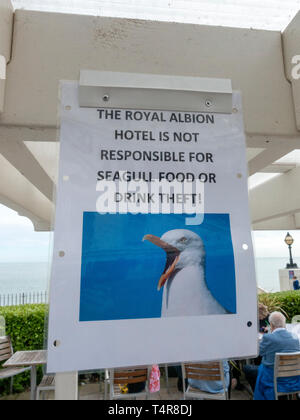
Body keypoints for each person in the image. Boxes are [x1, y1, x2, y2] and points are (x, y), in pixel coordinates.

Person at [244, 311, 300, 400]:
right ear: (284, 323)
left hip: (274, 380)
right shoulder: (295, 337)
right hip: (293, 380)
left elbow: (259, 353)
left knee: (247, 368)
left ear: (271, 325)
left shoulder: (268, 338)